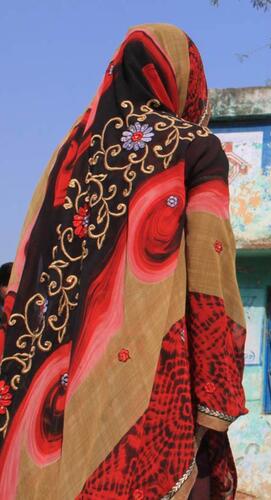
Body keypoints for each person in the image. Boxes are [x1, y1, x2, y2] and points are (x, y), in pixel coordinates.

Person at [0, 24, 247, 499]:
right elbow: (209, 283)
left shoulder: (65, 156)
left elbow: (28, 272)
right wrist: (214, 394)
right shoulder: (194, 147)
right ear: (184, 81)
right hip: (145, 391)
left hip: (40, 399)